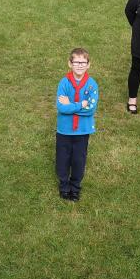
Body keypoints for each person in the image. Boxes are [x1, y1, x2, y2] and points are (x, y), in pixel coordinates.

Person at [54, 48, 99, 202]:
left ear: (88, 65)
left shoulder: (92, 85)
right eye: (76, 62)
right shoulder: (64, 83)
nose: (80, 65)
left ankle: (75, 187)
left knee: (79, 160)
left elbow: (91, 109)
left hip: (82, 131)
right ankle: (64, 186)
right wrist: (81, 104)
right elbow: (61, 107)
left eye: (83, 62)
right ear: (70, 63)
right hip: (64, 130)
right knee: (63, 159)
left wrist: (72, 105)